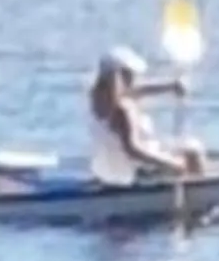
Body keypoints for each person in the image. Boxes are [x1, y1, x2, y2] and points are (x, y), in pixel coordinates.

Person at [88, 47, 207, 186]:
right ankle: (199, 196)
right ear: (121, 77)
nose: (135, 78)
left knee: (186, 148)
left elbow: (138, 90)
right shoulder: (122, 109)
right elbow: (133, 149)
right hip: (138, 171)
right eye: (131, 75)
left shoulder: (101, 101)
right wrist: (173, 164)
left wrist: (170, 87)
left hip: (114, 170)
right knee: (193, 151)